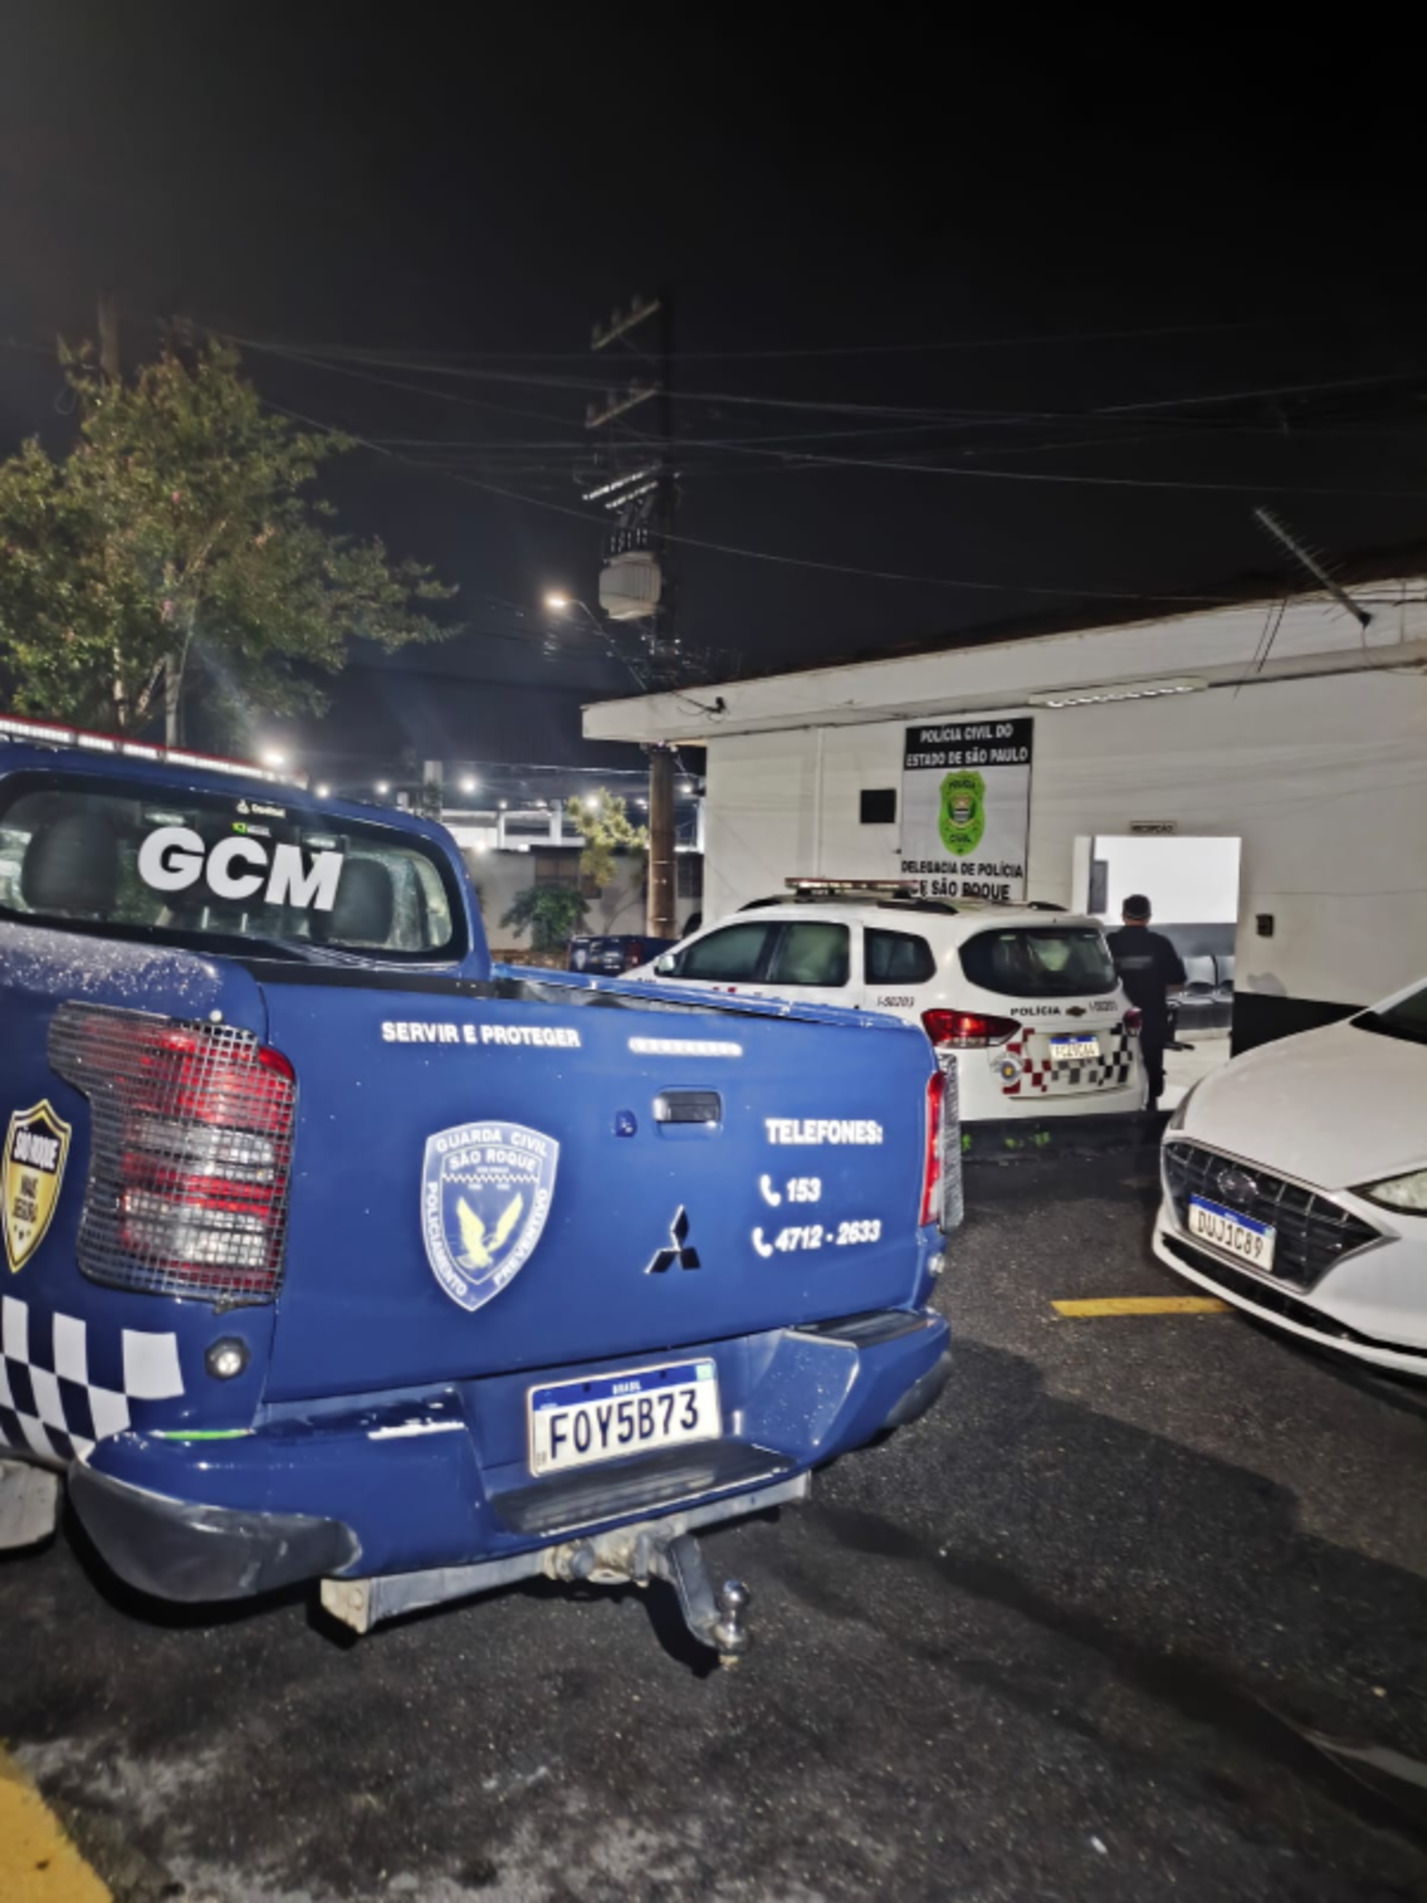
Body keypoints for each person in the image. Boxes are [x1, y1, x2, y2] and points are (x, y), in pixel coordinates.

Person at [1105, 895, 1186, 1113]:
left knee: (1116, 1059)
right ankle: (1151, 1106)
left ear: (1123, 915)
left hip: (1116, 1015)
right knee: (1151, 1060)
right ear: (1149, 917)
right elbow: (1177, 982)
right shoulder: (1160, 944)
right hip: (1151, 1015)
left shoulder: (1109, 943)